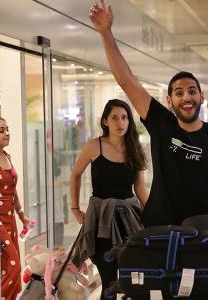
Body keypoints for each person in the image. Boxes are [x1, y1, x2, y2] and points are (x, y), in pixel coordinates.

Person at [89, 1, 208, 227]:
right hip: (158, 230)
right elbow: (127, 80)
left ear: (201, 96)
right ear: (170, 101)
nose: (186, 97)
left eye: (192, 91)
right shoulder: (162, 124)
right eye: (179, 93)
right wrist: (106, 33)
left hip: (200, 230)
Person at [70, 99, 148, 300]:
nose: (120, 122)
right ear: (105, 121)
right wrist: (75, 209)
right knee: (107, 275)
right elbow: (75, 174)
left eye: (124, 118)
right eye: (114, 118)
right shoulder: (94, 146)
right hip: (100, 219)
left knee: (132, 274)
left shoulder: (134, 148)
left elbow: (139, 188)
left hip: (129, 219)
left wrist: (152, 213)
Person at [0, 117, 30, 299]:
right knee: (14, 266)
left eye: (7, 129)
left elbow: (12, 190)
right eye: (1, 130)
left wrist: (22, 215)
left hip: (11, 221)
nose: (7, 133)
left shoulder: (6, 156)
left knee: (6, 268)